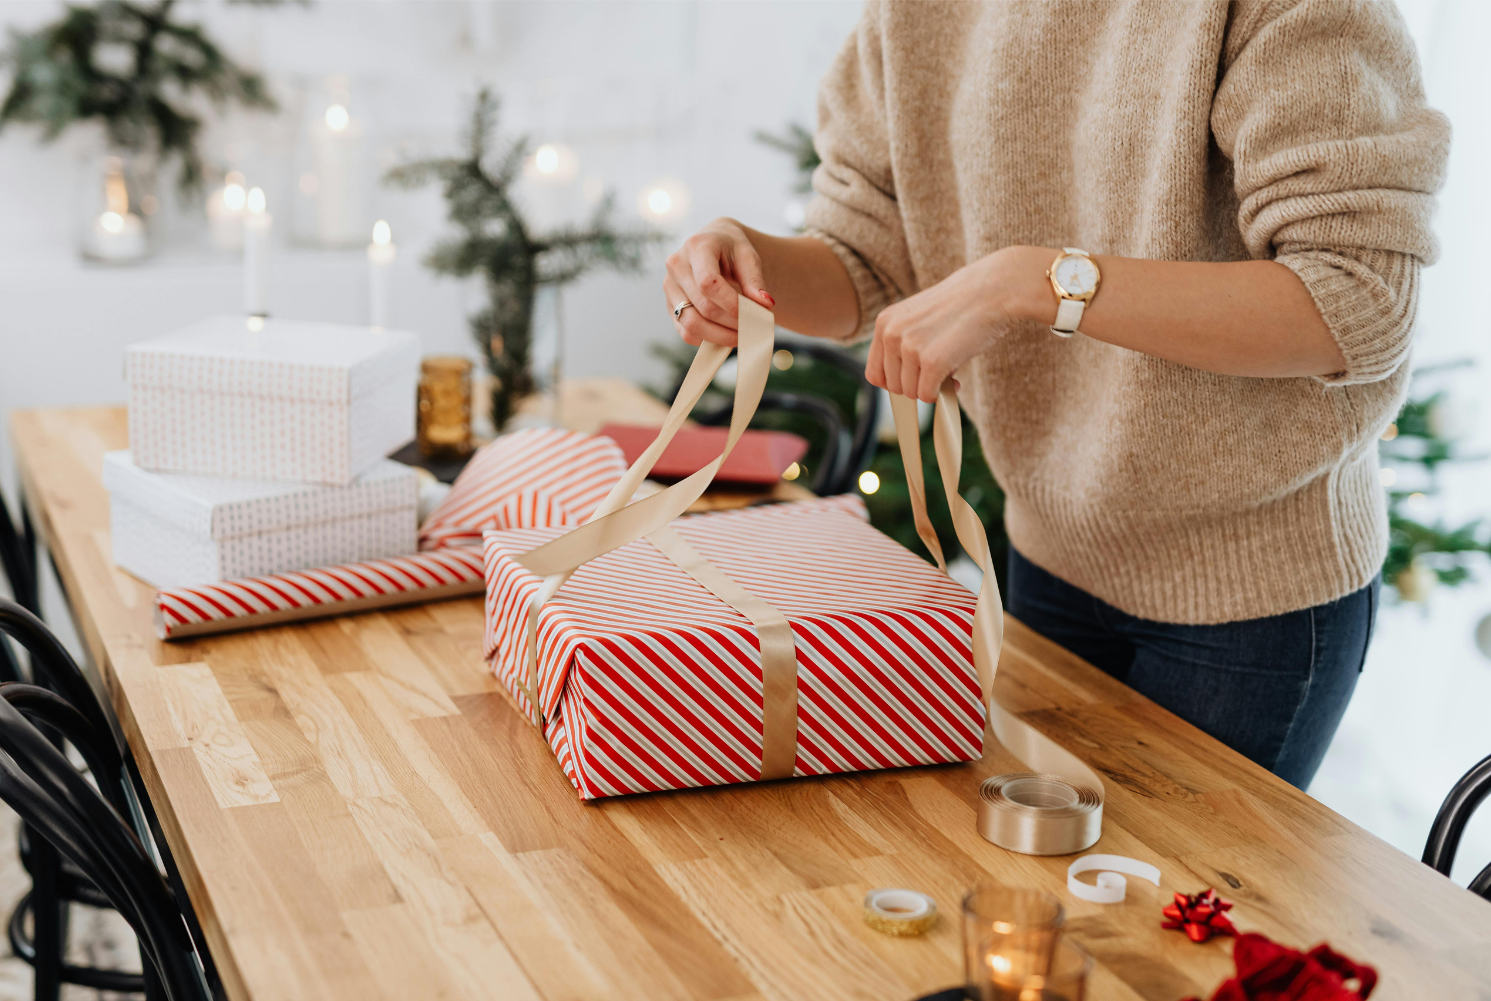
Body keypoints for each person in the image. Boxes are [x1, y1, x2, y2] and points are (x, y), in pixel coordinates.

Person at [662, 0, 1449, 789]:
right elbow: (863, 255)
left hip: (1253, 601)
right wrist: (751, 270)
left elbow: (1355, 299)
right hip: (1045, 552)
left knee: (1165, 872)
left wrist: (1032, 283)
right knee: (1036, 862)